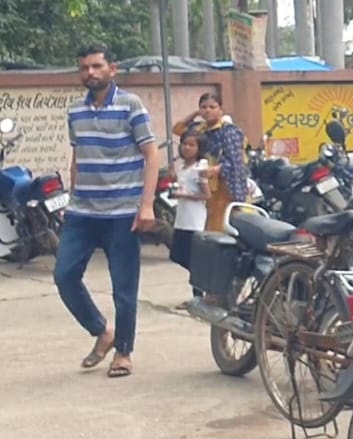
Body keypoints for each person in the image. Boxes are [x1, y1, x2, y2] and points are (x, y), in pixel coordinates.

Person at [55, 45, 159, 379]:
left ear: (112, 69)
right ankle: (102, 331)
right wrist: (72, 199)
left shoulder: (130, 105)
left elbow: (151, 154)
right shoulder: (76, 111)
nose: (90, 72)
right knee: (64, 275)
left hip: (122, 213)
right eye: (84, 67)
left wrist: (146, 205)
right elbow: (77, 158)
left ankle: (123, 352)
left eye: (97, 66)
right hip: (82, 212)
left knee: (124, 289)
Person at [177, 93, 248, 233]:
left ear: (221, 110)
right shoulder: (199, 129)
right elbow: (178, 129)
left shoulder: (229, 131)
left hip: (224, 186)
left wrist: (215, 170)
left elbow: (235, 162)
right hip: (203, 184)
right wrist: (195, 114)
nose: (207, 110)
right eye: (203, 107)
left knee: (219, 226)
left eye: (212, 107)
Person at [169, 132, 210, 306]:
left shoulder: (200, 168)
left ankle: (199, 295)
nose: (187, 148)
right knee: (178, 255)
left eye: (192, 145)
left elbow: (206, 195)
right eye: (185, 144)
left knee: (193, 259)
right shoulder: (183, 167)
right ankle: (201, 288)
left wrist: (185, 195)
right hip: (182, 218)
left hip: (195, 220)